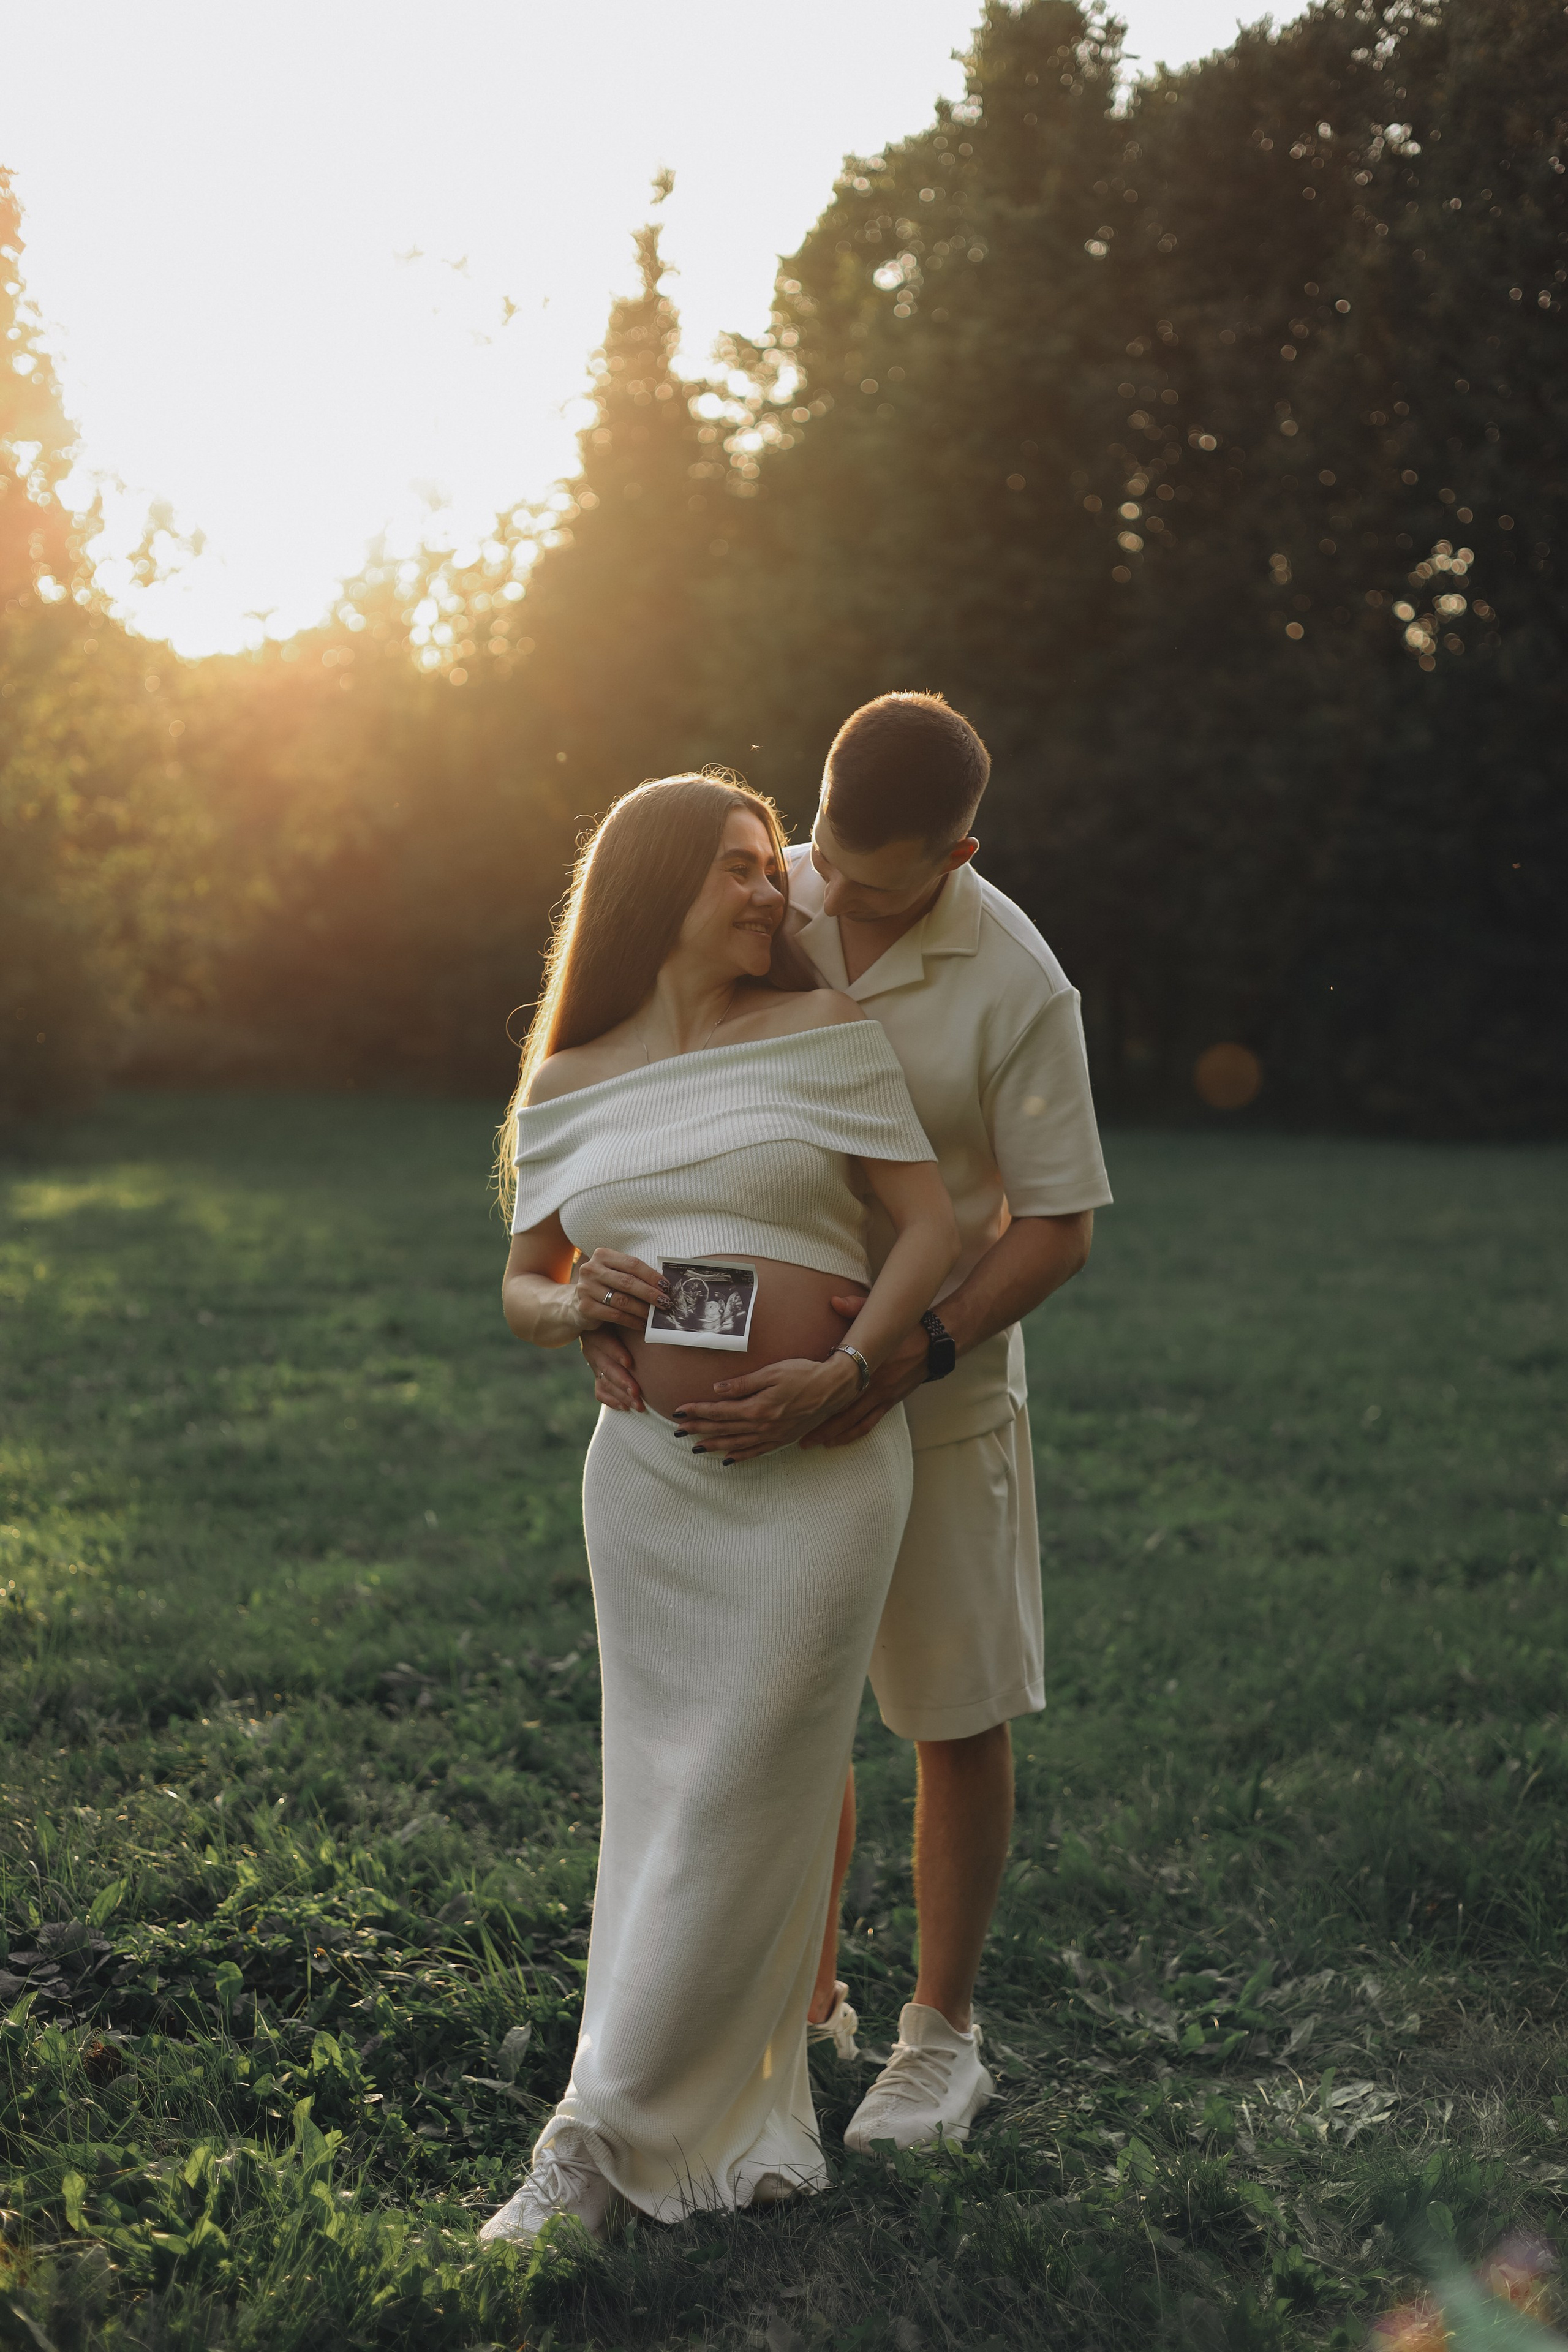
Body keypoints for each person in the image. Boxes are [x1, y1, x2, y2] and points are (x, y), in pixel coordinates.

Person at [584, 696, 1112, 2154]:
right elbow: (673, 1107)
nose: (835, 897)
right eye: (828, 858)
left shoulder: (1018, 984)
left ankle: (938, 2037)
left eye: (882, 885)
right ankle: (792, 1992)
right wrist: (615, 1308)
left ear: (959, 852)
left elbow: (1057, 1227)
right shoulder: (762, 891)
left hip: (929, 1402)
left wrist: (906, 1356)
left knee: (950, 1710)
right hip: (744, 1399)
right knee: (776, 1703)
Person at [481, 772, 958, 2245]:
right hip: (651, 1491)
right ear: (655, 887)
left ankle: (595, 2135)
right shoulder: (568, 1080)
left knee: (754, 1771)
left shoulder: (823, 1035)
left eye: (776, 868)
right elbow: (519, 1282)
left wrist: (848, 1373)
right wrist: (578, 1306)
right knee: (666, 1794)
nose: (779, 894)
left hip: (819, 1472)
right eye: (743, 871)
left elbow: (931, 1225)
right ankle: (663, 2097)